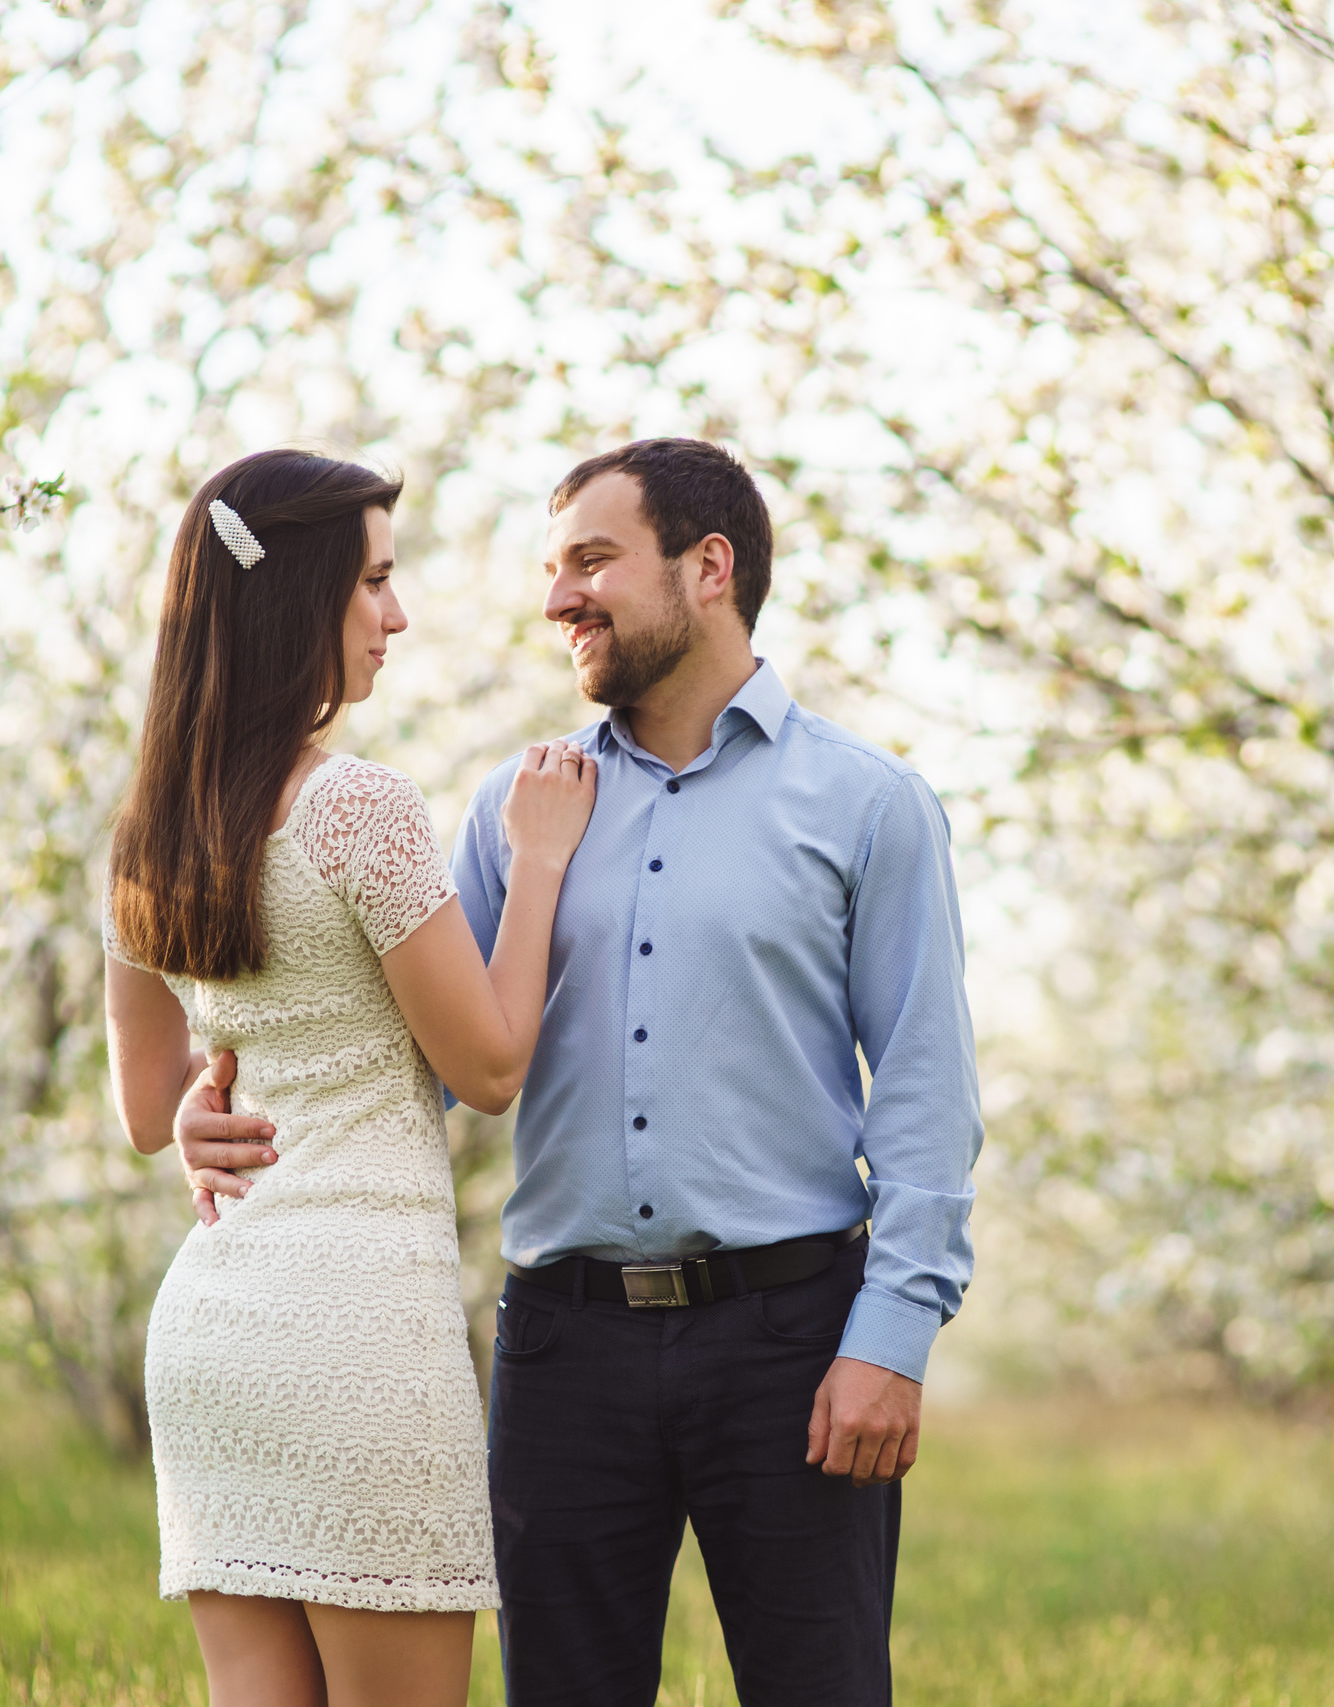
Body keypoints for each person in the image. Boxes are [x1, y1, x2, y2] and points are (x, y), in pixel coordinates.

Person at [181, 437, 983, 1706]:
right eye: (553, 570)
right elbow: (420, 1065)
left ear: (707, 568)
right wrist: (221, 1099)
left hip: (788, 1335)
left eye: (592, 563)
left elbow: (930, 1095)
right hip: (561, 1352)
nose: (559, 600)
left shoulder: (868, 807)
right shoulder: (516, 810)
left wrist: (892, 1335)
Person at [102, 448, 596, 1707]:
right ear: (296, 597)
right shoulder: (355, 809)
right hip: (357, 1336)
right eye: (374, 582)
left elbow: (143, 1109)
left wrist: (194, 1116)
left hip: (216, 1333)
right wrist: (536, 862)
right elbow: (486, 1066)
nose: (398, 614)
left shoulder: (152, 823)